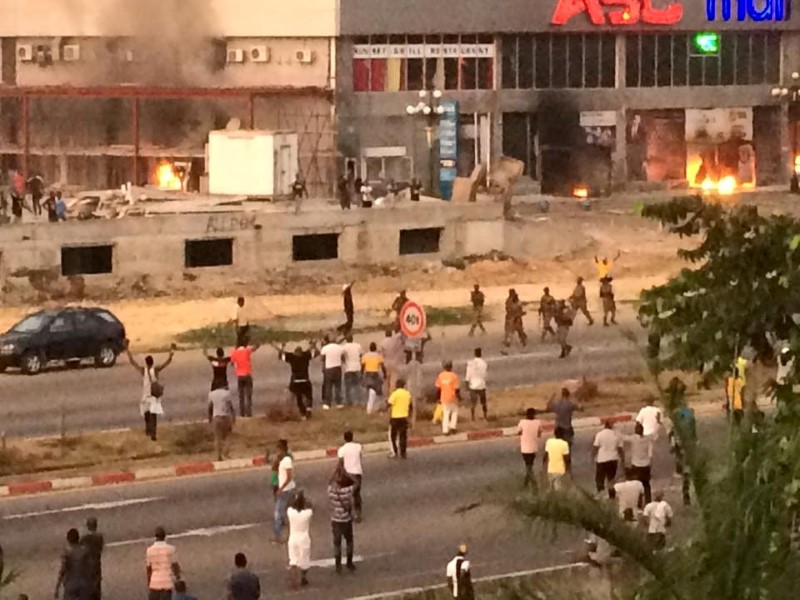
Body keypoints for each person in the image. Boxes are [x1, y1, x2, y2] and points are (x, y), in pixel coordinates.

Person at [125, 340, 175, 442]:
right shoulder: (156, 370)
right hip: (154, 396)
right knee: (154, 416)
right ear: (152, 362)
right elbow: (167, 363)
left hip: (146, 396)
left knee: (146, 414)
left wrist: (127, 349)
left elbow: (132, 361)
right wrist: (171, 353)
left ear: (146, 363)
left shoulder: (144, 371)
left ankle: (148, 429)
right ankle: (153, 433)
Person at [328, 466, 356, 574]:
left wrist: (335, 473)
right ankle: (349, 562)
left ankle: (338, 565)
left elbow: (329, 483)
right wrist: (347, 474)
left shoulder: (331, 492)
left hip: (335, 520)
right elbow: (356, 483)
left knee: (337, 543)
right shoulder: (347, 491)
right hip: (346, 520)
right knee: (349, 541)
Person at [278, 343, 316, 419]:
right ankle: (308, 409)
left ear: (295, 352)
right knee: (309, 395)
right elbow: (315, 354)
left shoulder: (291, 357)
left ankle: (303, 414)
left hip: (295, 381)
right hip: (305, 380)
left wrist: (281, 348)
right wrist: (313, 346)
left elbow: (280, 357)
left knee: (299, 398)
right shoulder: (305, 356)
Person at [55, 528, 90, 600]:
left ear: (68, 540)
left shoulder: (67, 553)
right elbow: (89, 568)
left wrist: (57, 586)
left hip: (71, 583)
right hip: (84, 583)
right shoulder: (85, 551)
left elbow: (62, 570)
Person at [287, 492, 313, 589]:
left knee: (293, 560)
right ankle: (303, 577)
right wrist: (306, 501)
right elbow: (311, 506)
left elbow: (288, 504)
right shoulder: (307, 513)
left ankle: (293, 580)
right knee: (304, 560)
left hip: (293, 538)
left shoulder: (291, 513)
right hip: (304, 538)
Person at [146, 527, 180, 600]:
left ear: (155, 537)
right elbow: (175, 566)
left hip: (154, 583)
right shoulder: (171, 549)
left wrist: (149, 582)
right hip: (166, 583)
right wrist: (178, 577)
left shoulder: (149, 550)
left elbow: (149, 569)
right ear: (165, 536)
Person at [230, 335, 261, 418]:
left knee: (241, 396)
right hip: (247, 374)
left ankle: (242, 413)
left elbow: (232, 363)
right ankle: (249, 412)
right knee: (248, 395)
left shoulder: (234, 352)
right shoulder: (247, 350)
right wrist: (256, 340)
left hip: (240, 376)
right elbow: (256, 347)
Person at [273, 439, 297, 543]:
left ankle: (277, 537)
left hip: (286, 491)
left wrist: (281, 489)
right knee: (288, 512)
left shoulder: (287, 460)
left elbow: (289, 476)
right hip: (287, 489)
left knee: (278, 513)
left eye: (278, 449)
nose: (277, 452)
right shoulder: (283, 460)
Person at [625, 422, 654, 506]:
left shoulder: (633, 438)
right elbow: (650, 454)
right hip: (646, 465)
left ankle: (639, 503)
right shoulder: (648, 439)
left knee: (637, 486)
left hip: (636, 465)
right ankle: (648, 502)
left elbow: (623, 438)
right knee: (646, 485)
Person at [593, 420, 624, 498]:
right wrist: (622, 459)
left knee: (600, 478)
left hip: (601, 459)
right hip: (613, 459)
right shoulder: (616, 435)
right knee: (611, 479)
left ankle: (600, 494)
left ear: (605, 426)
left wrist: (593, 456)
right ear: (611, 426)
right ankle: (612, 495)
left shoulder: (599, 434)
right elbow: (620, 449)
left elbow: (595, 447)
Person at [338, 431, 364, 521]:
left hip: (347, 474)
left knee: (347, 495)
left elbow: (340, 464)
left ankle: (348, 513)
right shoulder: (358, 447)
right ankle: (358, 513)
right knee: (357, 494)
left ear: (344, 438)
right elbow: (360, 457)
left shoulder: (342, 449)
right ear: (352, 437)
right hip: (357, 472)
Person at [208, 385, 236, 461]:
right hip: (225, 416)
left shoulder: (211, 394)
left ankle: (218, 455)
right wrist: (233, 417)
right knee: (228, 436)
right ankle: (226, 452)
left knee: (217, 438)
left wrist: (210, 419)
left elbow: (210, 407)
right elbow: (230, 406)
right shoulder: (227, 393)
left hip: (216, 417)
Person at [517, 408, 542, 487]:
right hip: (533, 447)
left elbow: (519, 432)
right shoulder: (538, 422)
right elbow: (539, 434)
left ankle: (533, 483)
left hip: (524, 448)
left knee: (528, 466)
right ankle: (526, 483)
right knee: (529, 465)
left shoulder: (522, 422)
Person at [80, 517, 104, 600]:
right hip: (96, 562)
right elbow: (100, 548)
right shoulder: (99, 537)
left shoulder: (84, 538)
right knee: (97, 582)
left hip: (87, 563)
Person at [388, 379, 412, 459]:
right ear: (404, 385)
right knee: (403, 436)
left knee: (393, 436)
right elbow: (410, 405)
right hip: (404, 417)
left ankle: (394, 451)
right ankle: (403, 453)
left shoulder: (395, 394)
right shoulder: (407, 394)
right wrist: (410, 416)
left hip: (395, 417)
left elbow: (389, 403)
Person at [320, 335, 345, 409]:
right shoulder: (340, 347)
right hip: (337, 367)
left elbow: (322, 359)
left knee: (328, 386)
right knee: (338, 386)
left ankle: (327, 403)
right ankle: (339, 403)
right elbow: (343, 358)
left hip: (329, 368)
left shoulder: (325, 348)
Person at [436, 361, 461, 435]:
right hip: (452, 397)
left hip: (443, 397)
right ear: (451, 367)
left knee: (446, 414)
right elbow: (457, 389)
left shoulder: (441, 375)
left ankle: (445, 430)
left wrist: (438, 398)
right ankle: (453, 427)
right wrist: (459, 397)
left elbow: (438, 388)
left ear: (444, 367)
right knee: (455, 411)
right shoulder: (454, 376)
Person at [361, 342, 387, 414]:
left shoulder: (365, 356)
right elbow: (382, 366)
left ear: (370, 348)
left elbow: (363, 366)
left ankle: (369, 407)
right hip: (375, 374)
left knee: (368, 391)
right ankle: (375, 407)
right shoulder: (378, 356)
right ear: (375, 348)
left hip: (368, 374)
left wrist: (361, 374)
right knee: (377, 392)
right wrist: (385, 374)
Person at [379, 328, 404, 397]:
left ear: (385, 334)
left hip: (386, 362)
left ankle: (387, 397)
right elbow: (400, 346)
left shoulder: (382, 343)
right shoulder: (394, 342)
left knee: (386, 380)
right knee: (393, 381)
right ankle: (392, 395)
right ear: (391, 334)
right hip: (394, 362)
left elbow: (381, 356)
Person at [465, 348, 488, 421]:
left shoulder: (470, 363)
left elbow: (468, 375)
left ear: (474, 354)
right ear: (481, 353)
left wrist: (467, 384)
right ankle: (485, 416)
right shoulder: (484, 363)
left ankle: (473, 417)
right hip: (481, 384)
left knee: (473, 403)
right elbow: (485, 375)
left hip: (473, 385)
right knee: (483, 402)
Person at [342, 334, 363, 407]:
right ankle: (358, 401)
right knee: (357, 385)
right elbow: (361, 355)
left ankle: (349, 401)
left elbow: (342, 356)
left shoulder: (344, 347)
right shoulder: (358, 346)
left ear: (346, 340)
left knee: (348, 386)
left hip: (348, 368)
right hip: (357, 367)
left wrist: (344, 362)